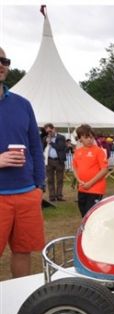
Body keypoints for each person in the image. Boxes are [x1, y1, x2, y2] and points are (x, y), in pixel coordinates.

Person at [0, 46, 46, 278]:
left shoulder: (22, 104)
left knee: (23, 251)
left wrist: (39, 186)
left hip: (27, 193)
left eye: (4, 61)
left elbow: (36, 147)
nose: (1, 64)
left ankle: (20, 304)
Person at [72, 124, 108, 217]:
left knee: (91, 214)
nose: (89, 140)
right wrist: (79, 180)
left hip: (95, 189)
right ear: (80, 139)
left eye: (91, 137)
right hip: (82, 188)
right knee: (83, 212)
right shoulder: (78, 151)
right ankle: (86, 230)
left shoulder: (99, 151)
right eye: (86, 137)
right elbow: (75, 167)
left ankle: (93, 230)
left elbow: (104, 170)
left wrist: (90, 183)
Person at [42, 122, 67, 201]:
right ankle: (52, 197)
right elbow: (42, 148)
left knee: (59, 179)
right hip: (49, 160)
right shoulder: (45, 138)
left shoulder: (61, 137)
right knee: (50, 180)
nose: (49, 133)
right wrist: (45, 142)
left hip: (58, 160)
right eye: (47, 132)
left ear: (53, 129)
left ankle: (59, 196)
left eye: (50, 131)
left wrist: (51, 142)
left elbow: (60, 147)